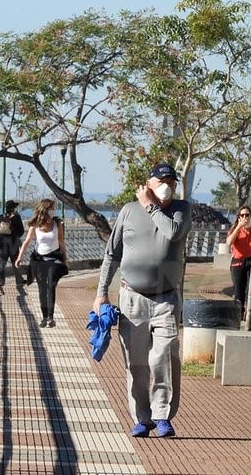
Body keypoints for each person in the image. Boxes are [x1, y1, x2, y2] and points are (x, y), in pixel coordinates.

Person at [93, 163, 192, 439]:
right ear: (148, 182)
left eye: (171, 181)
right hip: (132, 297)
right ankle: (142, 418)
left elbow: (172, 233)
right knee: (136, 363)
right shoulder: (128, 210)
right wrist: (101, 293)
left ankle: (162, 416)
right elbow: (111, 254)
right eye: (161, 180)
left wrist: (151, 206)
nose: (167, 185)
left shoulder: (182, 210)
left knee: (163, 357)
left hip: (166, 298)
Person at [15, 198, 69, 328]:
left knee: (51, 285)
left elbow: (61, 241)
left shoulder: (57, 223)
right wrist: (20, 257)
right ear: (46, 209)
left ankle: (51, 316)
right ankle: (44, 316)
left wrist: (65, 259)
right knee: (42, 289)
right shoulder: (35, 224)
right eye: (52, 208)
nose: (54, 211)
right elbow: (27, 241)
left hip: (54, 259)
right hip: (39, 260)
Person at [0, 199, 26, 292]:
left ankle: (1, 280)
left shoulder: (0, 217)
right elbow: (21, 230)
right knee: (15, 262)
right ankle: (19, 280)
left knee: (1, 263)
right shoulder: (16, 217)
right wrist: (16, 236)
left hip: (2, 243)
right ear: (13, 208)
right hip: (13, 243)